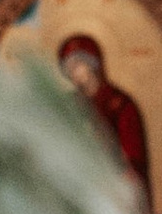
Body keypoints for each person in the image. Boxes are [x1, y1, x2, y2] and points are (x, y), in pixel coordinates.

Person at [57, 31, 151, 196]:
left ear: (93, 64)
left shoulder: (120, 103)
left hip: (114, 187)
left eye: (78, 65)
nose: (74, 73)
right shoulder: (69, 105)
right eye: (69, 68)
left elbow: (134, 158)